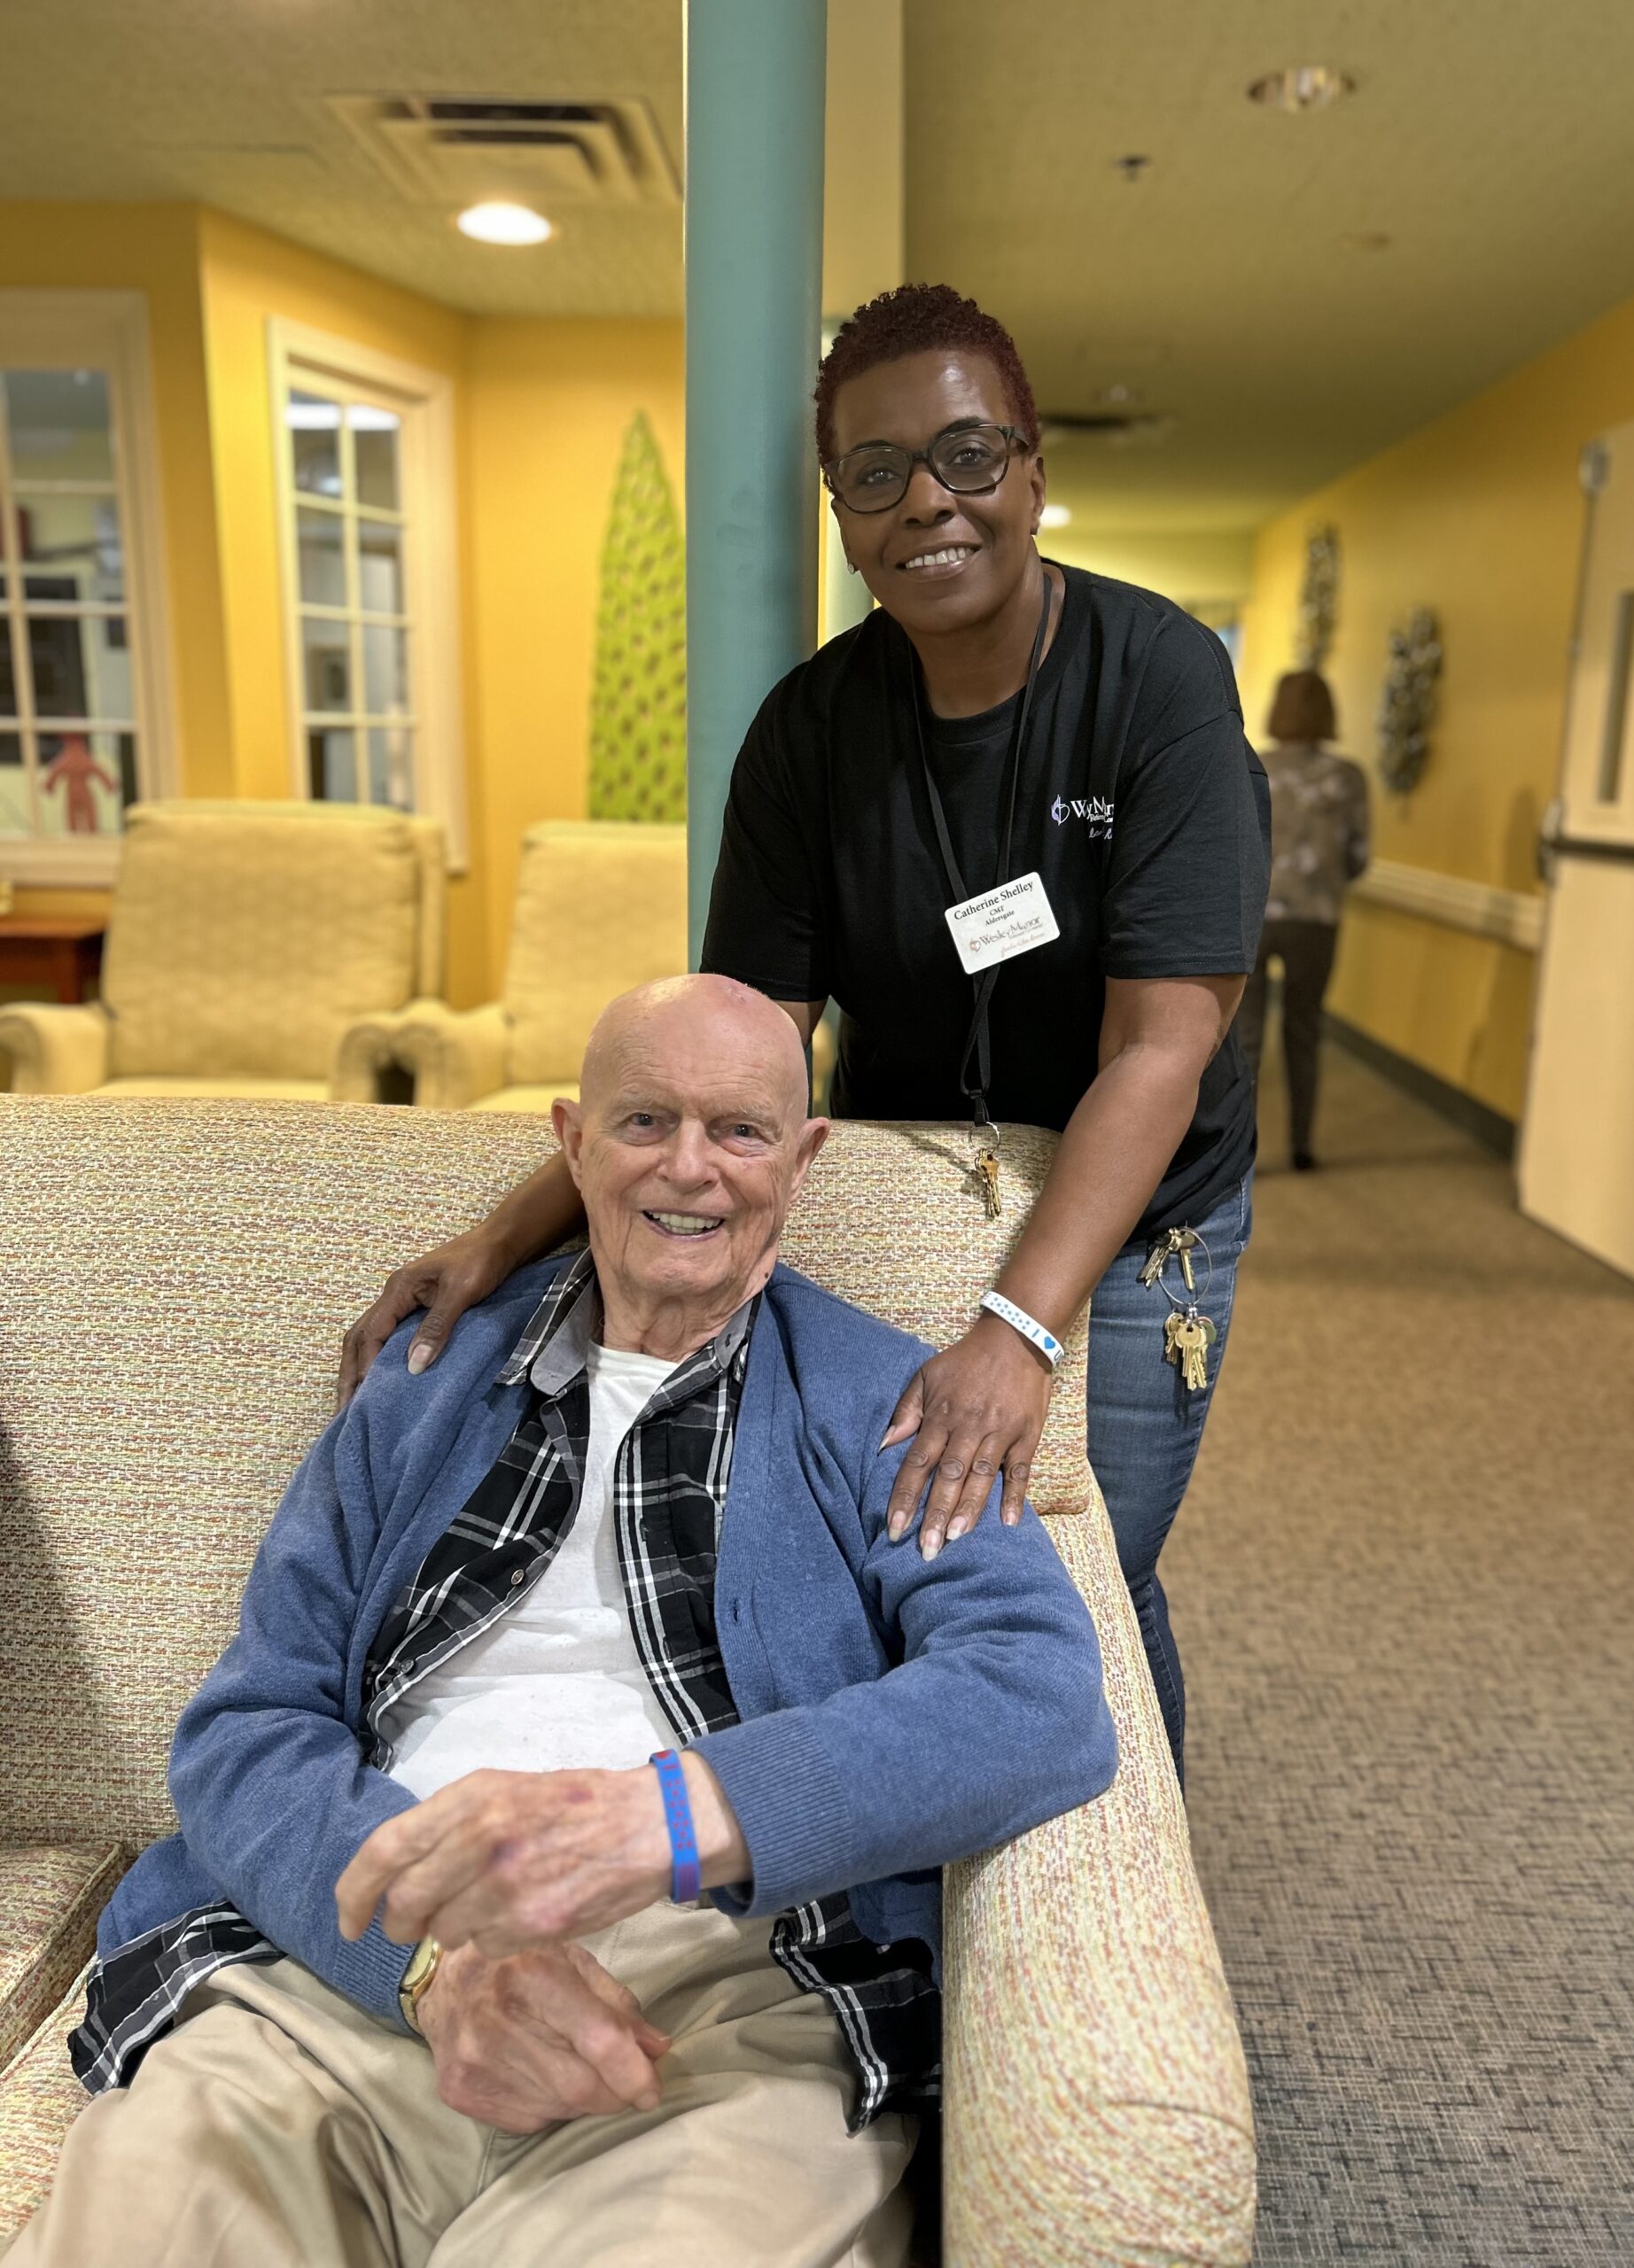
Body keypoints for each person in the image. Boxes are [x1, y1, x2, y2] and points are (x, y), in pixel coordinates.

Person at [19, 977, 1114, 2268]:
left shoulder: (893, 1401)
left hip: (726, 1994)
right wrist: (434, 1967)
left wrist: (666, 1814)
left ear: (804, 1158)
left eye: (742, 1131)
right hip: (352, 1965)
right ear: (571, 1141)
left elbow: (1037, 1694)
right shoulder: (421, 1385)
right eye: (645, 1121)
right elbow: (249, 1726)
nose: (691, 1169)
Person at [339, 284, 1269, 1782]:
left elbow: (1161, 1046)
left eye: (969, 455)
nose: (929, 503)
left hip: (1144, 1192)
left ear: (1032, 472)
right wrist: (511, 1231)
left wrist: (1020, 1330)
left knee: (1095, 1557)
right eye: (876, 469)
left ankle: (1128, 1861)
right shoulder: (810, 730)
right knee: (907, 1539)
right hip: (906, 1163)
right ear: (839, 507)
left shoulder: (1157, 682)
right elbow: (734, 1051)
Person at [1233, 670, 1370, 1171]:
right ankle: (1301, 1146)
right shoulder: (1347, 778)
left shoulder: (1253, 767)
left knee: (1245, 1037)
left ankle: (1239, 1152)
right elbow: (1359, 857)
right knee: (1304, 1030)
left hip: (1253, 920)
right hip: (1317, 921)